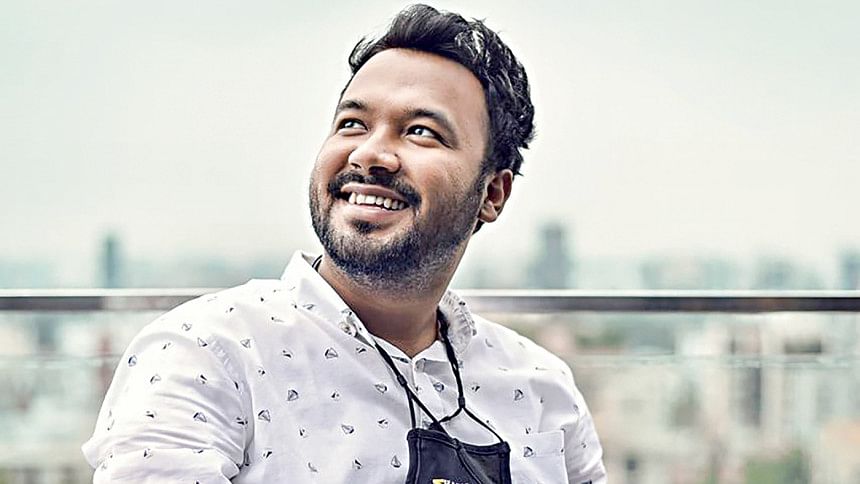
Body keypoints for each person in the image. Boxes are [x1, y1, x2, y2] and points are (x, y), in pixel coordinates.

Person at [82, 4, 606, 483]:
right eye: (352, 124)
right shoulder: (207, 353)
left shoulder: (541, 387)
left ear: (492, 193)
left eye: (421, 132)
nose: (369, 154)